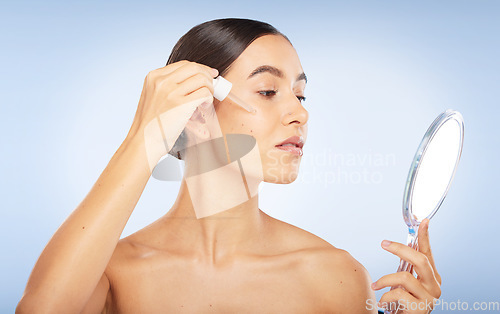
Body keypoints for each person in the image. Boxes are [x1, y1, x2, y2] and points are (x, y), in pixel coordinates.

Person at [16, 18, 441, 313]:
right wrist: (143, 137)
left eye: (301, 95)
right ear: (196, 110)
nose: (300, 114)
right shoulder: (110, 275)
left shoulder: (334, 275)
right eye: (268, 91)